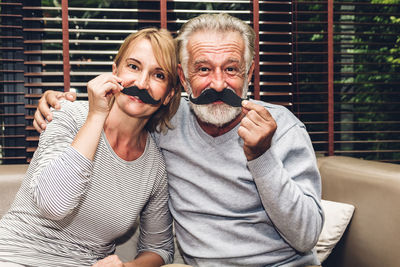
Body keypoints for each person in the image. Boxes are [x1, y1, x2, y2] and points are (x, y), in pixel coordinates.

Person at [33, 14, 324, 267]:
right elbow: (126, 104)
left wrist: (262, 157)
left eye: (231, 69)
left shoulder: (282, 128)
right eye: (204, 69)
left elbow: (307, 236)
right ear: (183, 79)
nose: (219, 84)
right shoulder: (166, 121)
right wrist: (59, 105)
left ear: (249, 73)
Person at [0, 28, 182, 267]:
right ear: (115, 71)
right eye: (134, 67)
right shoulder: (68, 115)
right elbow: (53, 204)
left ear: (168, 95)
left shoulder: (155, 167)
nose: (142, 83)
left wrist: (127, 266)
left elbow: (158, 248)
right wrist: (97, 115)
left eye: (158, 75)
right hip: (15, 256)